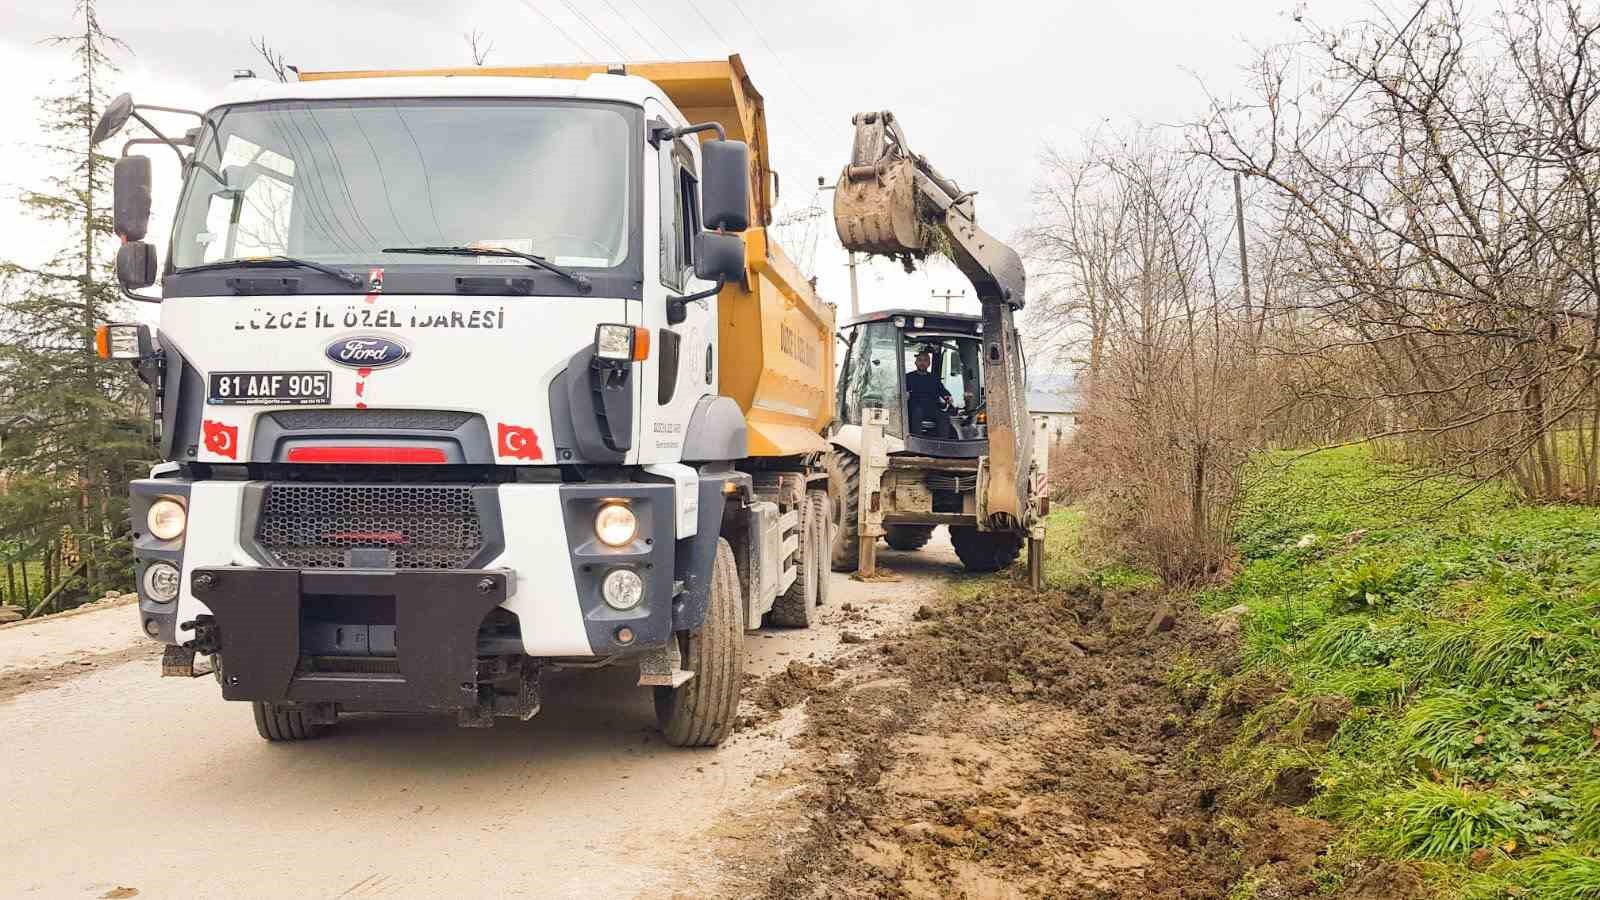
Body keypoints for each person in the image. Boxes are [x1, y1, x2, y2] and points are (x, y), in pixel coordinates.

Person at [905, 350, 954, 438]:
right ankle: (917, 441)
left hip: (932, 407)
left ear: (929, 363)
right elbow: (902, 391)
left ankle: (943, 443)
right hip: (915, 406)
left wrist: (948, 396)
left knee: (944, 416)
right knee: (917, 412)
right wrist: (906, 394)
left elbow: (942, 391)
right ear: (916, 362)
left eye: (925, 360)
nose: (922, 363)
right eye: (920, 360)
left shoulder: (934, 378)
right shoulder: (908, 377)